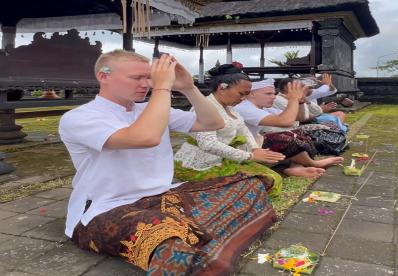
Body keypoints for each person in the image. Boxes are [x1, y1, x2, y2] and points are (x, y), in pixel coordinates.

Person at [59, 50, 277, 275]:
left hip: (160, 196)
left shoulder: (149, 109)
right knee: (165, 238)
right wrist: (162, 88)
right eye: (137, 78)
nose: (146, 84)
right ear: (104, 76)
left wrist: (188, 88)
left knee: (250, 183)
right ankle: (192, 235)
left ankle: (189, 230)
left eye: (149, 78)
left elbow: (213, 122)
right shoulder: (79, 117)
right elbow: (146, 137)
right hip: (106, 207)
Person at [174, 64, 285, 197]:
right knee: (260, 183)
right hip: (199, 164)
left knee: (272, 178)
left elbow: (244, 130)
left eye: (246, 94)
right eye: (241, 94)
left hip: (225, 159)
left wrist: (254, 149)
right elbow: (208, 144)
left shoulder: (230, 108)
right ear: (222, 88)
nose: (243, 98)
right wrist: (250, 156)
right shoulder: (203, 107)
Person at [235, 79, 344, 179]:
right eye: (268, 94)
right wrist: (294, 98)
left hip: (255, 143)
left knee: (299, 133)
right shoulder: (244, 107)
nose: (273, 97)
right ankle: (312, 163)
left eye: (273, 93)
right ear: (252, 94)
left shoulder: (260, 107)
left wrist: (300, 101)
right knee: (288, 138)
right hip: (245, 149)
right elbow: (285, 122)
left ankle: (295, 166)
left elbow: (300, 117)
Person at [276, 78, 348, 133]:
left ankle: (340, 130)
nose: (306, 87)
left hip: (306, 121)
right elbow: (304, 117)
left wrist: (304, 99)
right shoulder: (279, 99)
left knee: (339, 117)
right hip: (296, 127)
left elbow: (317, 111)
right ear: (287, 87)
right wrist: (302, 99)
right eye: (300, 86)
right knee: (333, 123)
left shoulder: (298, 96)